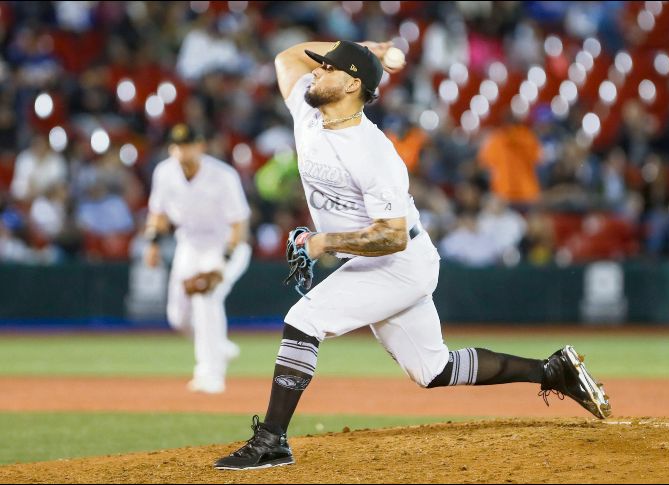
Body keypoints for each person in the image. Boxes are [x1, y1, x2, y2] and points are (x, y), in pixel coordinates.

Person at [214, 40, 611, 470]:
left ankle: (272, 440)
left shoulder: (374, 151)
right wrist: (370, 47)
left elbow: (392, 236)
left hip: (399, 262)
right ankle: (552, 371)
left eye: (328, 68)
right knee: (432, 370)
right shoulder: (307, 112)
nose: (316, 73)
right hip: (379, 261)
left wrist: (321, 243)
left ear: (351, 83)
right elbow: (285, 58)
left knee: (303, 320)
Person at [144, 124, 252, 394]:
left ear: (201, 146)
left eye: (188, 144)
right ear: (171, 148)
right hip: (189, 245)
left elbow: (239, 223)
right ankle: (219, 346)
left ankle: (210, 375)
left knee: (206, 296)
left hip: (225, 244)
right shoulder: (164, 172)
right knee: (178, 317)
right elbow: (157, 213)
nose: (182, 149)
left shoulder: (222, 175)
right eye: (178, 145)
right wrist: (153, 244)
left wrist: (223, 262)